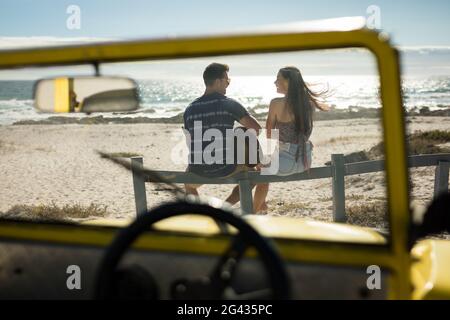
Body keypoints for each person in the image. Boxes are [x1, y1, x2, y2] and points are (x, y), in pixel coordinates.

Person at [252, 66, 329, 213]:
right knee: (262, 165)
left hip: (286, 163)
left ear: (288, 82)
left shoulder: (276, 103)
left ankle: (255, 211)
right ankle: (262, 204)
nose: (275, 82)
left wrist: (264, 160)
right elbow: (306, 133)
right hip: (304, 161)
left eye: (278, 79)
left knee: (260, 169)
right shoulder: (308, 104)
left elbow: (268, 135)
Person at [183, 63, 262, 204]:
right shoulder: (229, 104)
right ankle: (224, 208)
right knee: (254, 175)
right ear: (218, 81)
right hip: (225, 168)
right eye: (227, 80)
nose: (228, 84)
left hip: (198, 169)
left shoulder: (190, 109)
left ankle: (202, 212)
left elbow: (190, 140)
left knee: (188, 184)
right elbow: (256, 129)